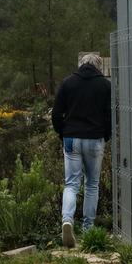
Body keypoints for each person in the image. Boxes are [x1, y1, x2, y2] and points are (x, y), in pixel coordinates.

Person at [51, 52, 111, 247]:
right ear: (98, 66)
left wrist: (63, 133)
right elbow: (109, 114)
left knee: (71, 184)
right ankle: (88, 228)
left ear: (81, 64)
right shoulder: (105, 85)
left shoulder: (68, 83)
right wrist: (106, 135)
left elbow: (56, 113)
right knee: (92, 184)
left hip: (71, 138)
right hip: (95, 138)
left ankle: (67, 220)